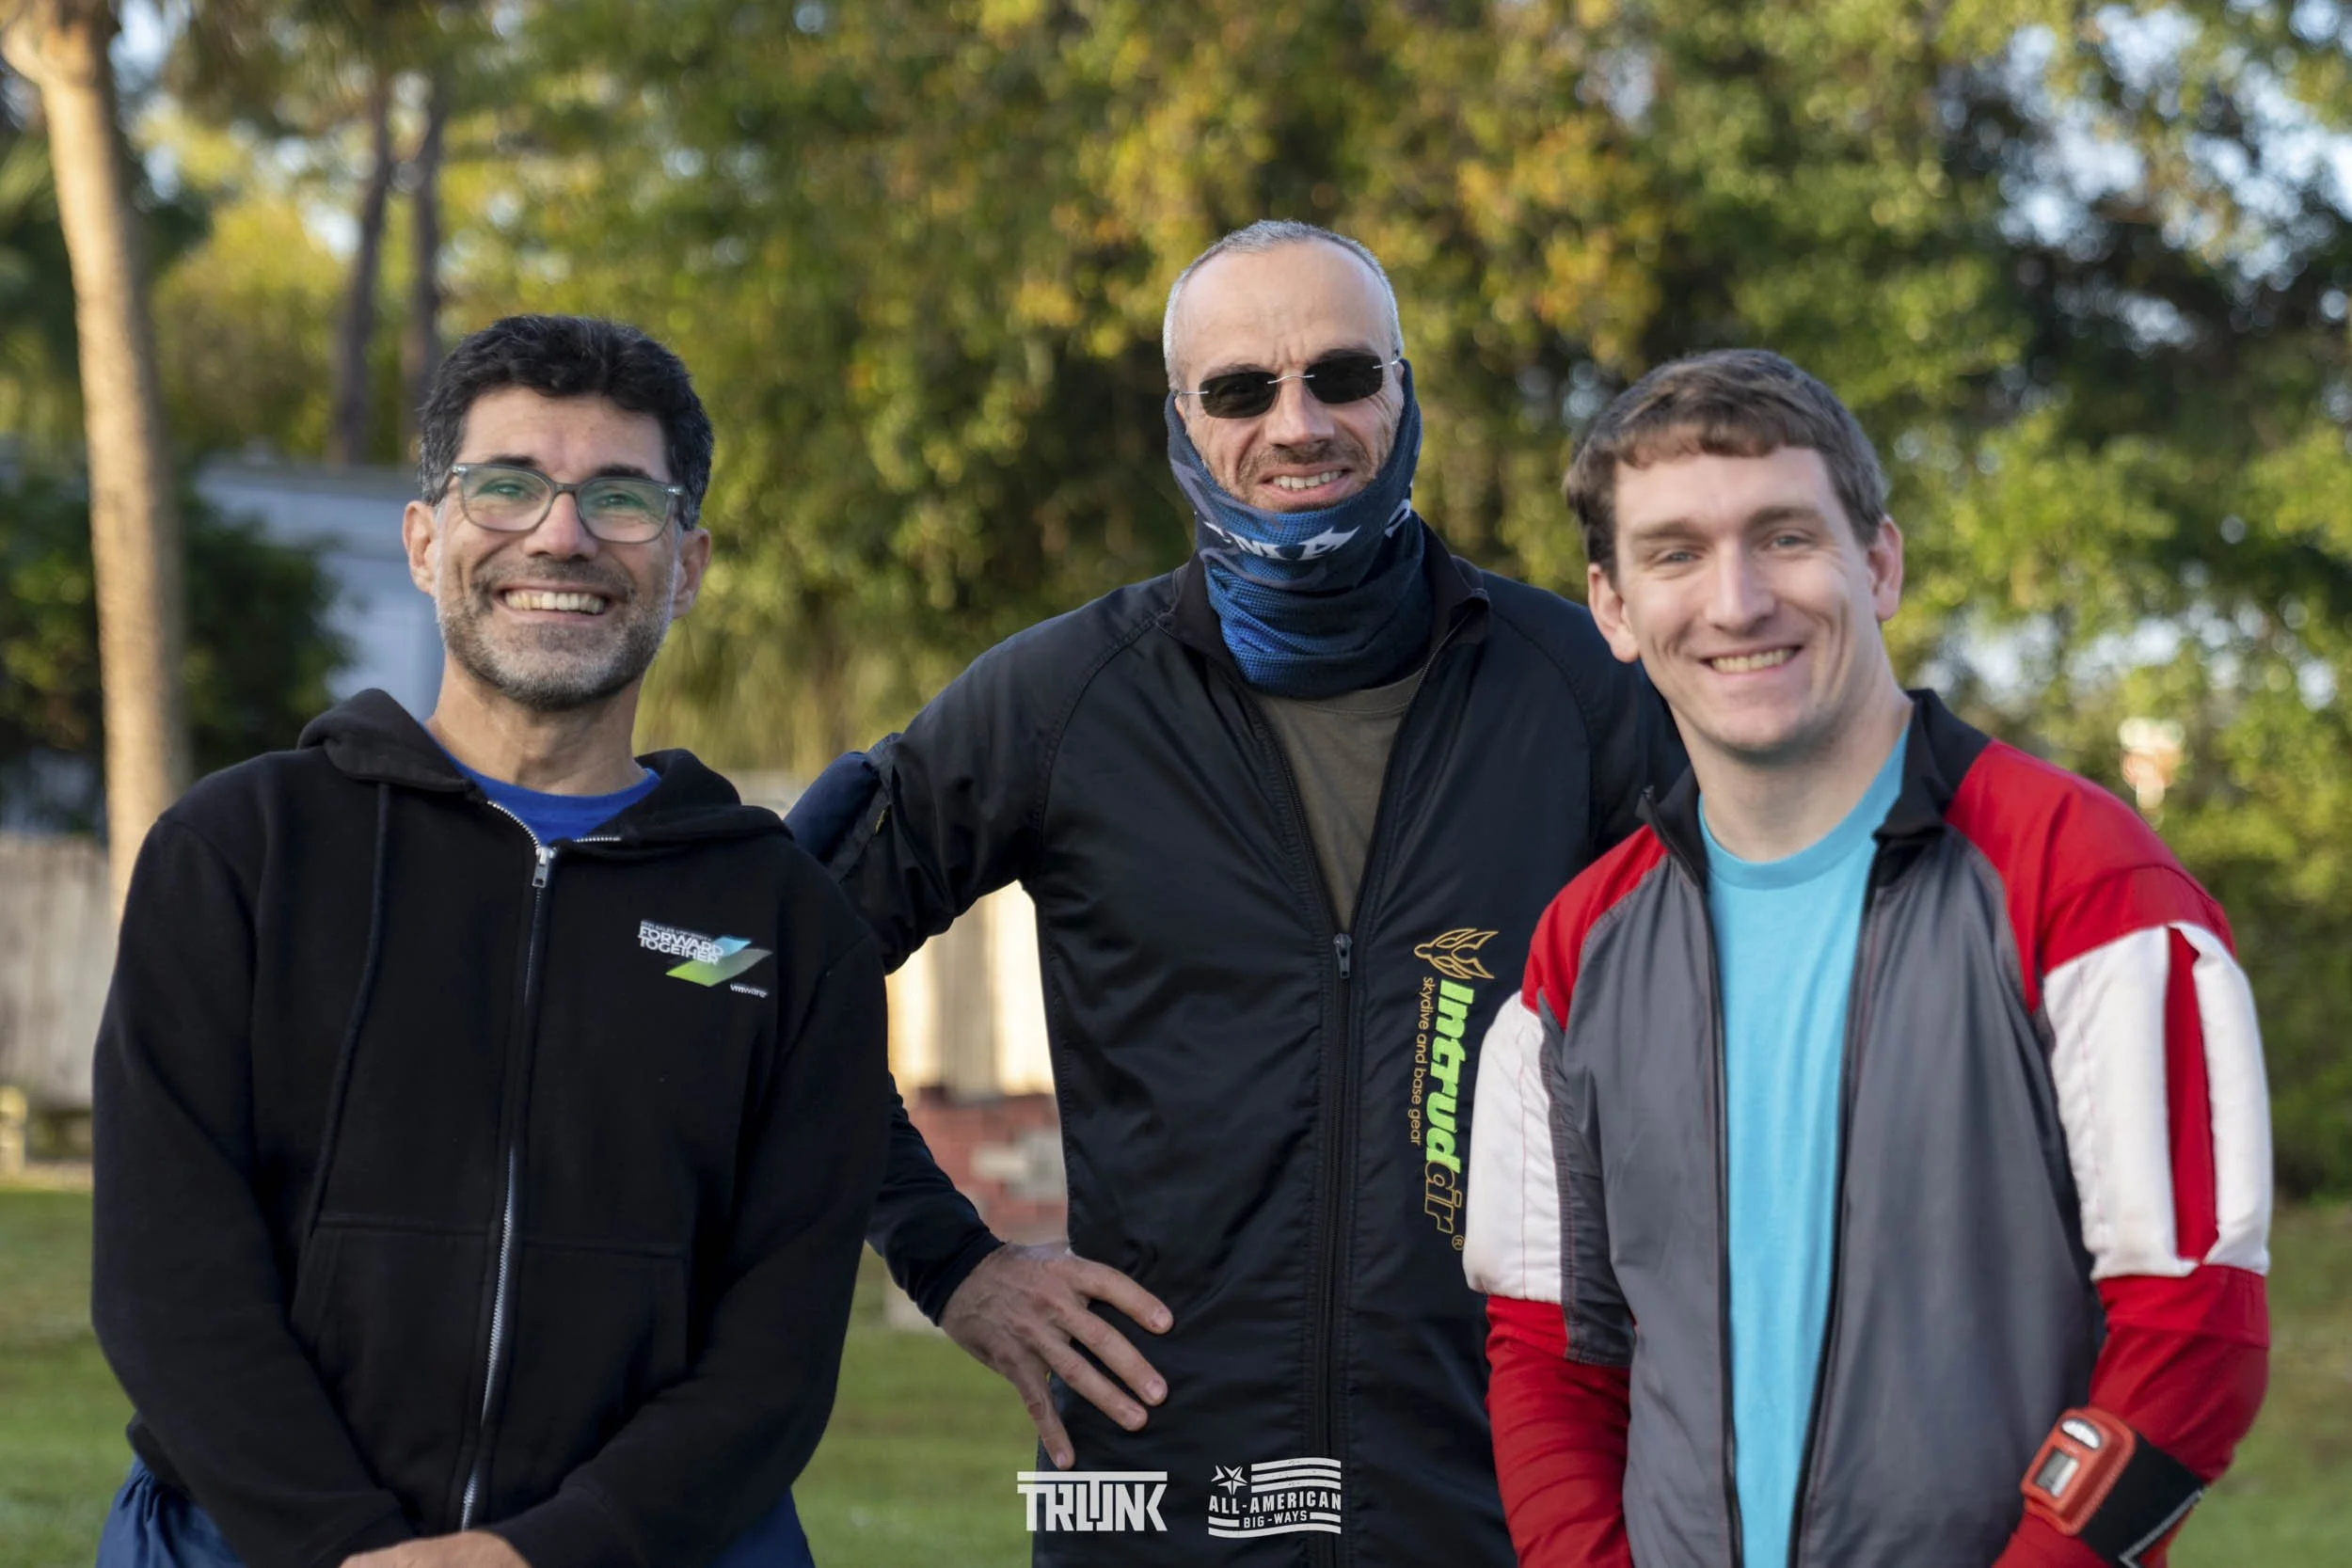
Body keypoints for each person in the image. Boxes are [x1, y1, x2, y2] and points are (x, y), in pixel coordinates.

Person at [785, 221, 1681, 1566]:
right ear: (1181, 421)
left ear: (1404, 390)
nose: (1299, 422)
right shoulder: (1063, 699)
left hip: (1496, 1492)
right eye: (1242, 390)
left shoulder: (1580, 689)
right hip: (1149, 1498)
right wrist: (949, 1262)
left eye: (1342, 375)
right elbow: (777, 973)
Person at [89, 314, 886, 1568]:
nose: (559, 534)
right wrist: (344, 1545)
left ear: (688, 563)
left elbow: (776, 1352)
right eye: (506, 485)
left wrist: (537, 1556)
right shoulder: (242, 853)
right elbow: (166, 1273)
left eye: (621, 498)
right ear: (424, 539)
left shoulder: (784, 926)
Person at [1464, 348, 2271, 1566]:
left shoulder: (2086, 883)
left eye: (1785, 536)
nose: (1737, 601)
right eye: (1676, 552)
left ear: (1879, 562)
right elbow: (1550, 1356)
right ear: (1615, 611)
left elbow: (2194, 1340)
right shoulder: (1572, 958)